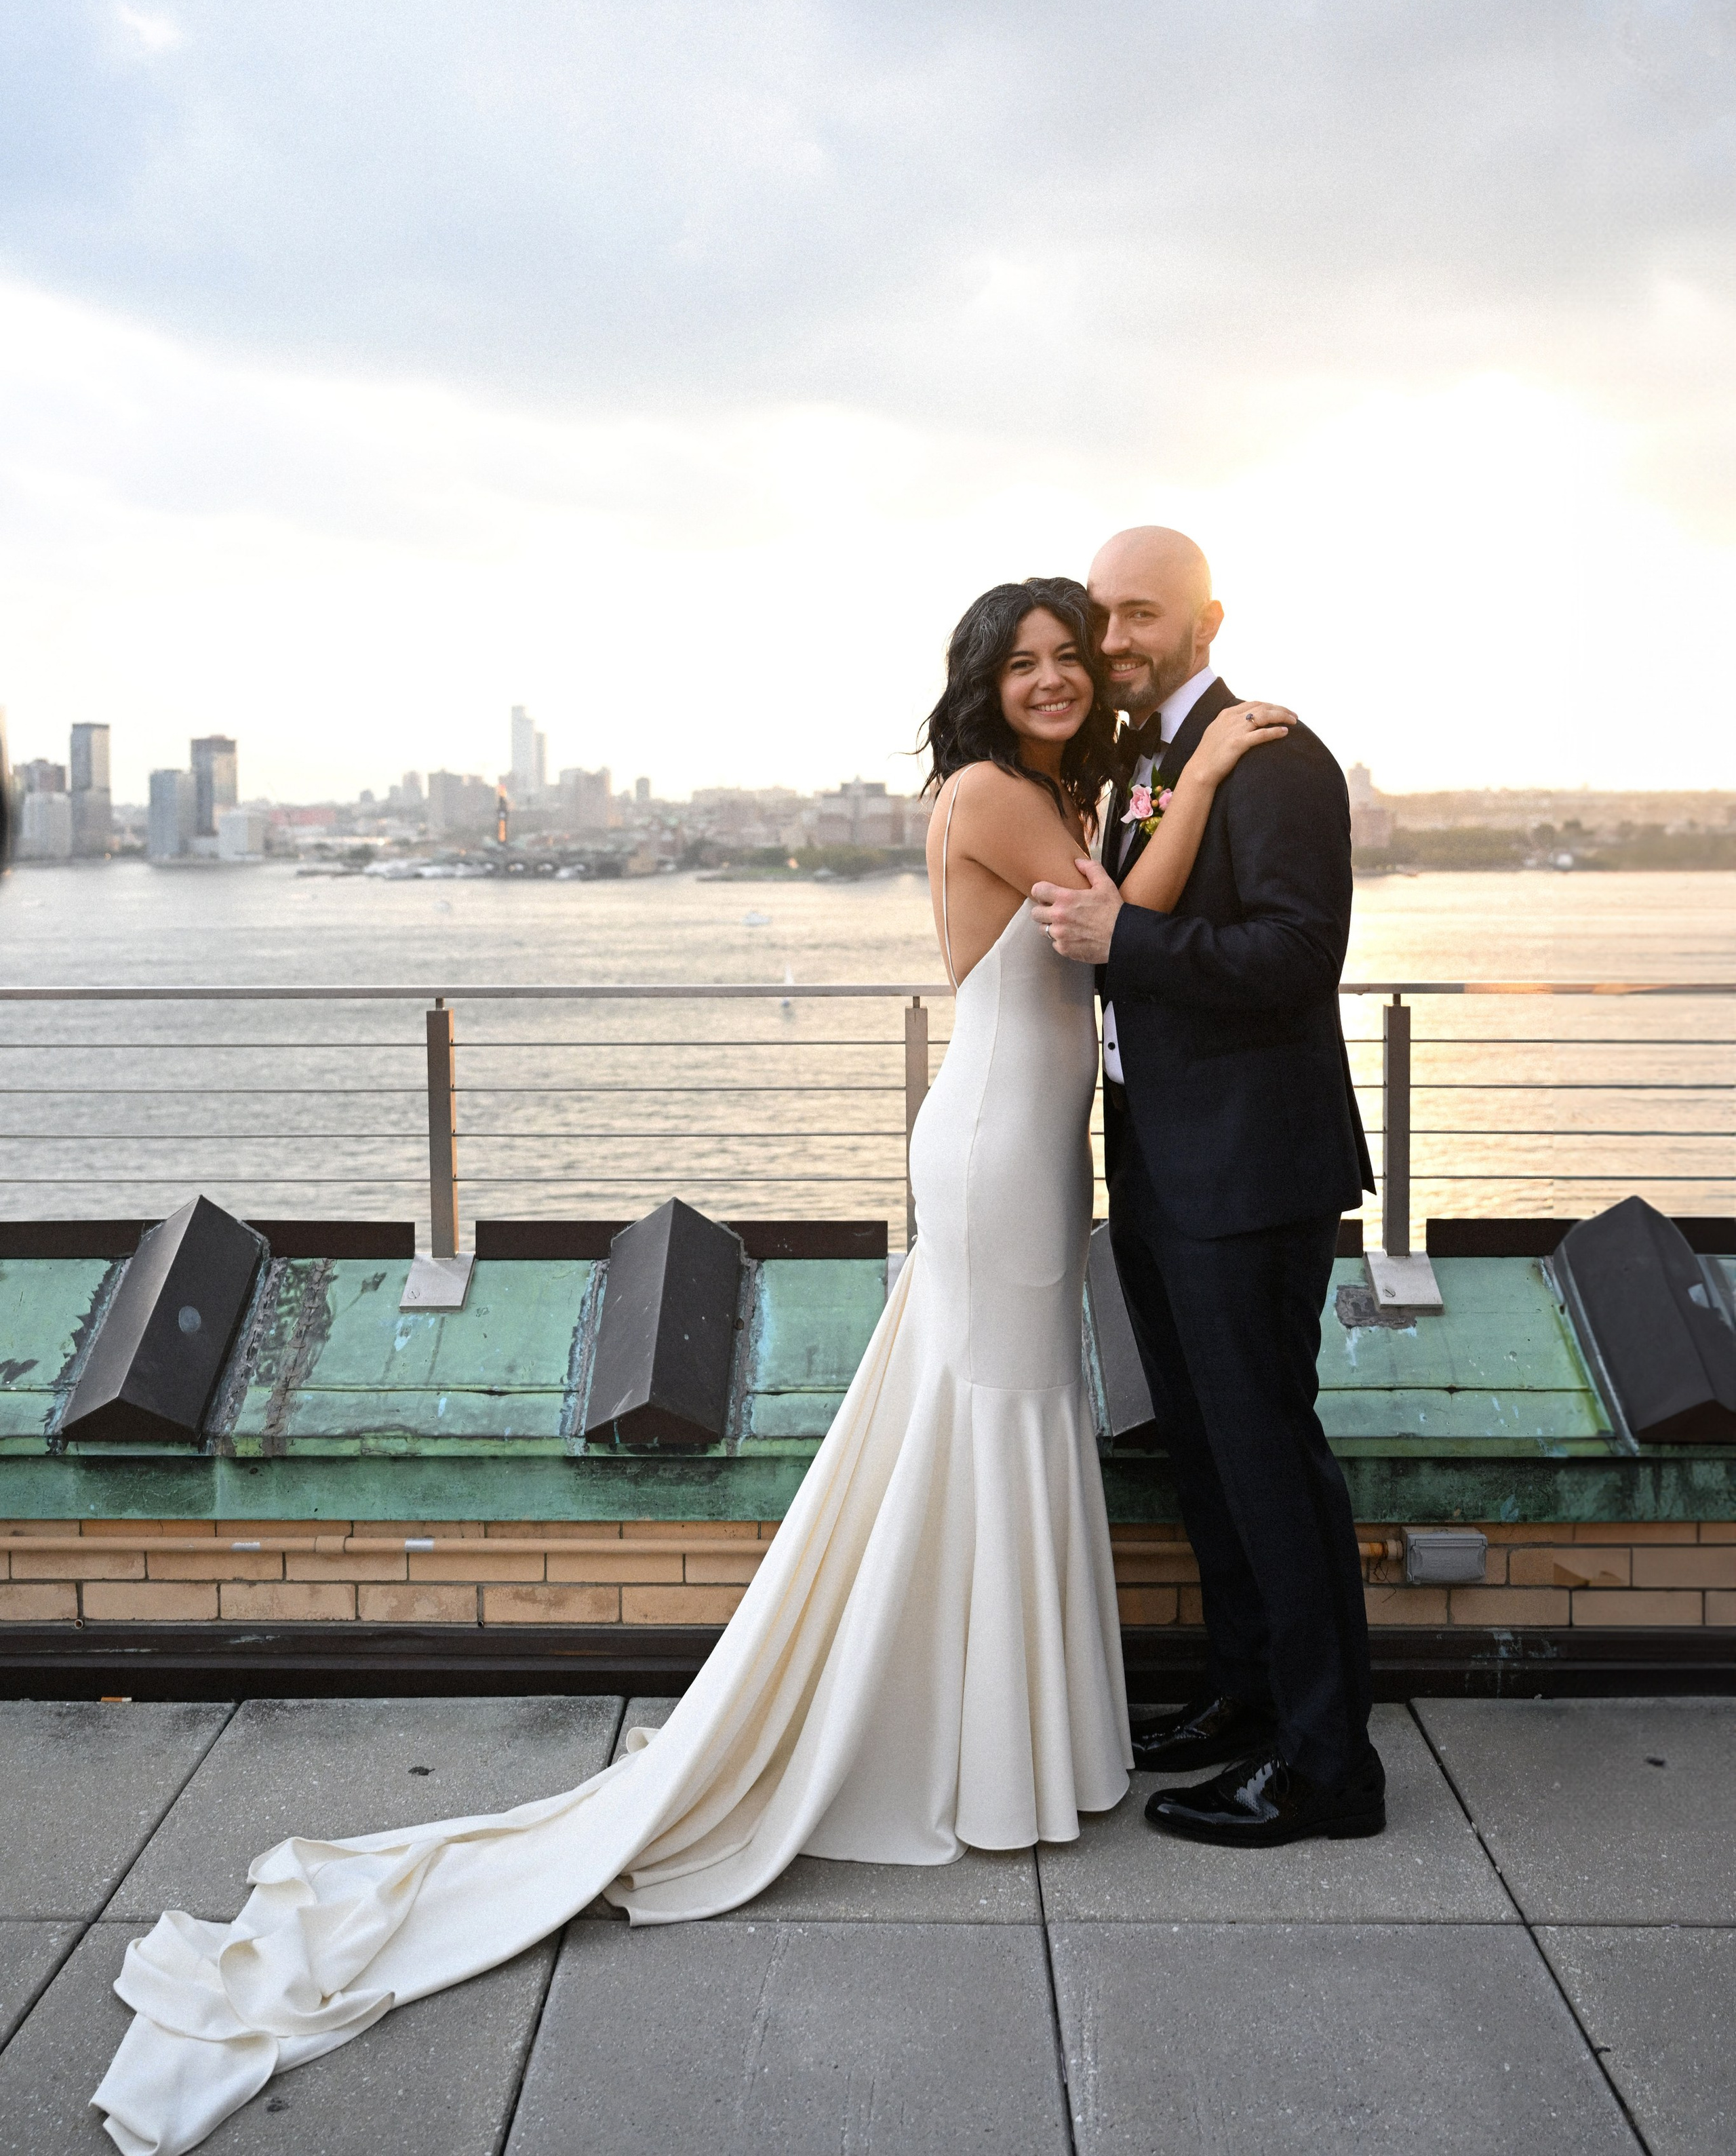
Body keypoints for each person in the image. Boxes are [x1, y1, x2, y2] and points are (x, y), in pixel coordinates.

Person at [92, 574, 1286, 2156]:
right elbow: (1106, 924)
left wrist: (1156, 788)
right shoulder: (998, 793)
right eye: (1028, 664)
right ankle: (991, 1752)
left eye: (1073, 658)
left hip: (1020, 1144)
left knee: (1010, 1410)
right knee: (997, 1409)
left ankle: (1018, 1731)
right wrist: (1200, 777)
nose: (1056, 680)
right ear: (982, 685)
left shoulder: (1038, 782)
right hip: (1000, 1148)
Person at [1031, 527, 1382, 1849]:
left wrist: (1130, 940)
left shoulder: (1275, 757)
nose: (1116, 640)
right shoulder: (1135, 763)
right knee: (1203, 1454)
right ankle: (1244, 1702)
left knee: (1268, 1462)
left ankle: (1326, 1772)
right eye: (1100, 617)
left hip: (1249, 1173)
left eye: (1138, 616)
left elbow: (1296, 953)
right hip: (1166, 1168)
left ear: (1204, 619)